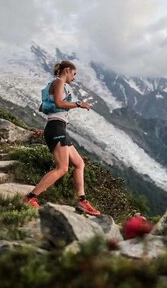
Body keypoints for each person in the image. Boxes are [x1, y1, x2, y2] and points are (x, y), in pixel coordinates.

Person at [25, 60, 101, 216]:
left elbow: (47, 106)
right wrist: (79, 104)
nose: (74, 77)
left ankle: (82, 200)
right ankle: (30, 197)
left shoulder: (58, 84)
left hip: (60, 127)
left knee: (79, 163)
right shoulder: (59, 82)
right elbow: (59, 103)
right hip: (55, 128)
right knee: (62, 168)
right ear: (67, 70)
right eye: (74, 73)